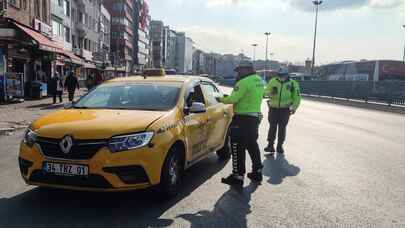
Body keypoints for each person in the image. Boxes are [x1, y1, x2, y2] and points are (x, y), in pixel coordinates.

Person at [217, 61, 265, 186]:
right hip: (254, 117)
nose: (238, 73)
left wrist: (219, 98)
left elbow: (232, 99)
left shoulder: (243, 82)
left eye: (239, 70)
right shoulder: (259, 80)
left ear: (246, 69)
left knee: (237, 147)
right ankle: (257, 171)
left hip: (242, 119)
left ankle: (237, 176)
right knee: (252, 145)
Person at [264, 68, 301, 155]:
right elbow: (265, 92)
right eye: (279, 75)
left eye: (283, 75)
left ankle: (280, 146)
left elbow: (297, 97)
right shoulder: (273, 81)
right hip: (273, 108)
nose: (281, 77)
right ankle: (270, 145)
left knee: (282, 128)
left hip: (285, 109)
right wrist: (270, 93)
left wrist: (294, 108)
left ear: (287, 75)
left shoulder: (293, 83)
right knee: (272, 127)